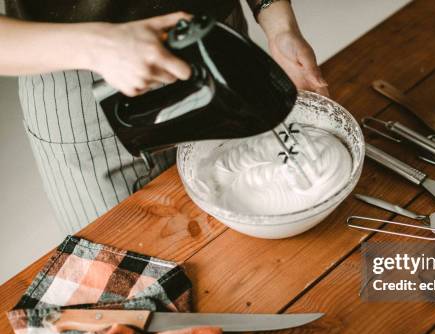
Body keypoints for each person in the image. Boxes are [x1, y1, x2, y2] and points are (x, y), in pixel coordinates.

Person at [0, 0, 328, 232]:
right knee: (129, 282)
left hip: (214, 36)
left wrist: (276, 17)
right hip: (91, 81)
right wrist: (98, 47)